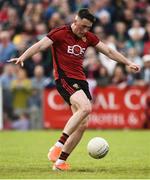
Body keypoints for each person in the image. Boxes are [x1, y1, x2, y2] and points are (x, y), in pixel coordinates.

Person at [8, 9, 140, 171]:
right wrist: (23, 56)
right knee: (86, 108)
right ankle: (57, 146)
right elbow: (41, 45)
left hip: (81, 80)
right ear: (75, 20)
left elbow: (109, 51)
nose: (85, 30)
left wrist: (128, 62)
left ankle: (60, 162)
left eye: (88, 28)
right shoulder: (60, 33)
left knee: (83, 124)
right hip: (64, 79)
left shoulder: (88, 37)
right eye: (83, 26)